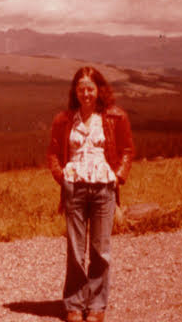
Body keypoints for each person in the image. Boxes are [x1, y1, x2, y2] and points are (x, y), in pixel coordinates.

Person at [47, 67, 134, 322]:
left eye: (90, 88)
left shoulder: (115, 117)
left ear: (99, 90)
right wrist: (61, 176)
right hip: (74, 186)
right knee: (75, 249)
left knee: (101, 249)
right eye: (81, 88)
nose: (86, 93)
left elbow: (128, 149)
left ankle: (96, 305)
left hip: (103, 188)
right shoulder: (63, 120)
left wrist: (118, 176)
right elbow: (53, 152)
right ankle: (74, 304)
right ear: (75, 91)